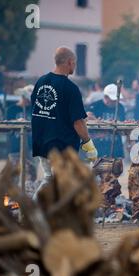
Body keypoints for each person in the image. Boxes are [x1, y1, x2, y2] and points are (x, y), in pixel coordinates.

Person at [31, 46, 97, 199]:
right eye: (74, 63)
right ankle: (44, 215)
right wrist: (88, 144)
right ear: (69, 62)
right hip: (60, 146)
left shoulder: (41, 82)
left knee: (49, 179)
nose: (74, 66)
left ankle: (32, 213)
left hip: (41, 143)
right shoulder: (70, 88)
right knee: (63, 184)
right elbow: (78, 122)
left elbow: (35, 108)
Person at [7, 85, 37, 182]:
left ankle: (28, 196)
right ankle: (10, 196)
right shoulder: (11, 109)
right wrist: (16, 122)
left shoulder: (35, 109)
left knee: (31, 175)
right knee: (13, 175)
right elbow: (6, 126)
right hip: (15, 147)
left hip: (32, 148)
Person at [88, 83, 126, 158]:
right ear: (106, 97)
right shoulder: (95, 106)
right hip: (99, 147)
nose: (116, 102)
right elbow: (86, 117)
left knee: (117, 168)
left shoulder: (121, 107)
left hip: (116, 147)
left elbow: (123, 124)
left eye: (116, 100)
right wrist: (93, 118)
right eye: (113, 100)